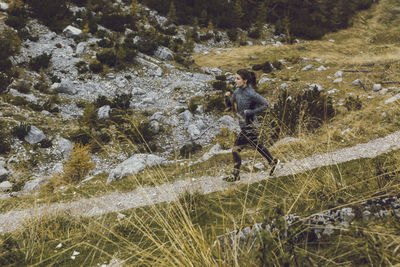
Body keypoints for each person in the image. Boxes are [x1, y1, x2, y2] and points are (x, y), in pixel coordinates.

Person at [223, 69, 280, 182]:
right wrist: (226, 97)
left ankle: (236, 175)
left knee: (235, 149)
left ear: (245, 80)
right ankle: (273, 162)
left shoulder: (251, 93)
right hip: (243, 125)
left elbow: (266, 105)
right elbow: (230, 106)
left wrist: (249, 112)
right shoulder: (237, 91)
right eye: (235, 78)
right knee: (258, 146)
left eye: (238, 79)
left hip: (251, 126)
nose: (235, 81)